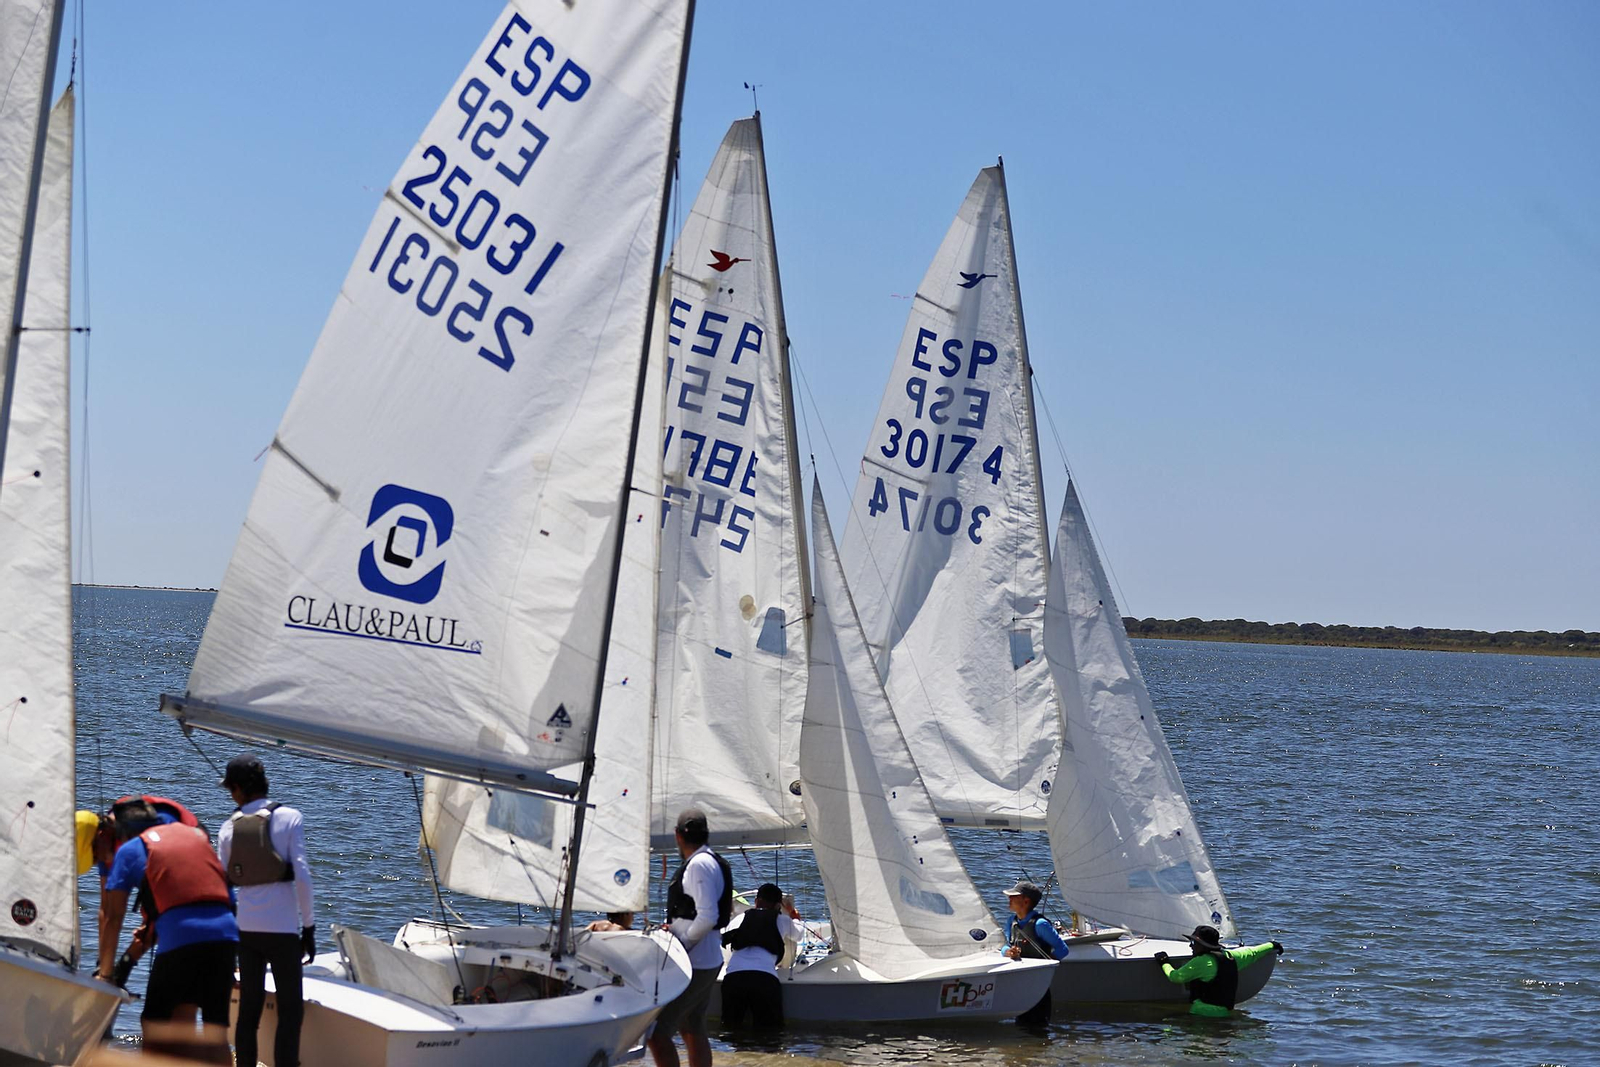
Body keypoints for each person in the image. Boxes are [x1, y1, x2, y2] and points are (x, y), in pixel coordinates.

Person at [93, 797, 237, 1064]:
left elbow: (113, 916)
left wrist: (106, 974)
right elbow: (228, 898)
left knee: (154, 1026)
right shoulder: (194, 837)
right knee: (212, 1033)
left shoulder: (131, 849)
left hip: (181, 940)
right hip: (226, 937)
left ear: (125, 832)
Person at [217, 754, 317, 1067]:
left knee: (249, 1009)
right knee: (290, 1011)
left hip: (246, 930)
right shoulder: (290, 817)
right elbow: (301, 875)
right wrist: (309, 927)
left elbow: (223, 887)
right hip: (283, 930)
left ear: (236, 789)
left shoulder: (227, 828)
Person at [646, 808, 732, 1067]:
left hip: (695, 962)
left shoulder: (698, 865)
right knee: (692, 1026)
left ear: (678, 835)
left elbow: (707, 916)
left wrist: (682, 944)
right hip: (707, 958)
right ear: (705, 834)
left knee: (657, 1034)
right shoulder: (711, 860)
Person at [1154, 924, 1283, 1017]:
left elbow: (1176, 977)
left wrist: (1164, 962)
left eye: (1193, 943)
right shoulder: (1231, 957)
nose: (1190, 946)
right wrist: (1272, 945)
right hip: (1225, 1013)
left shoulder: (1201, 962)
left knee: (1166, 1025)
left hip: (1200, 1013)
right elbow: (1252, 953)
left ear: (1203, 945)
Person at [719, 882, 798, 1029]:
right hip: (764, 979)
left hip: (733, 978)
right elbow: (799, 936)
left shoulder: (739, 918)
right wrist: (793, 917)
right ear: (778, 906)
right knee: (769, 1033)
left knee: (731, 1028)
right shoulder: (783, 920)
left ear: (756, 902)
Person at [1001, 880, 1069, 1025]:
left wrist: (1045, 965)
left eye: (1013, 897)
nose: (1009, 899)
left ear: (1026, 901)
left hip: (1038, 986)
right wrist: (1008, 952)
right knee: (1021, 1026)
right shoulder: (1011, 922)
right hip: (1019, 984)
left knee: (1038, 1027)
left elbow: (1063, 949)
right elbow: (1004, 947)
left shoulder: (1040, 924)